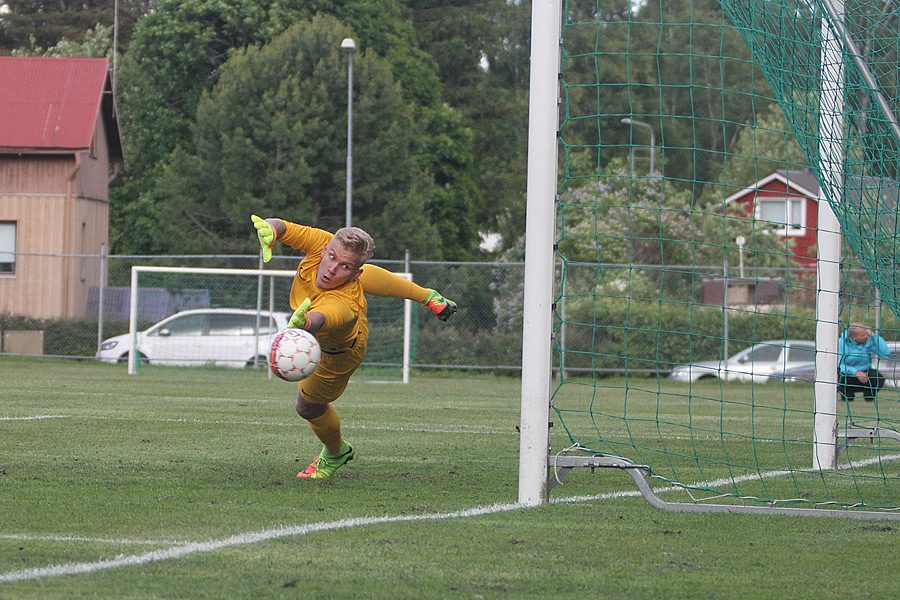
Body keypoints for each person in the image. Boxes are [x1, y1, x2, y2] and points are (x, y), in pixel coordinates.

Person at [251, 215, 457, 479]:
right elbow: (284, 227)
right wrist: (271, 229)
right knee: (364, 275)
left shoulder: (344, 305)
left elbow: (325, 316)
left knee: (308, 408)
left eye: (345, 266)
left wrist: (304, 325)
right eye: (333, 257)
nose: (332, 268)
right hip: (317, 323)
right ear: (326, 249)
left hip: (339, 353)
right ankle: (429, 295)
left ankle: (337, 452)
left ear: (353, 272)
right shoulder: (322, 244)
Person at [838, 322, 891, 402]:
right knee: (838, 376)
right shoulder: (841, 343)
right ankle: (847, 398)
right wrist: (855, 372)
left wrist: (874, 336)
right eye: (863, 335)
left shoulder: (868, 341)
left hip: (865, 374)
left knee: (877, 377)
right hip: (847, 374)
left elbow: (885, 353)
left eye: (866, 334)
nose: (866, 336)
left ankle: (869, 398)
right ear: (854, 337)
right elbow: (839, 364)